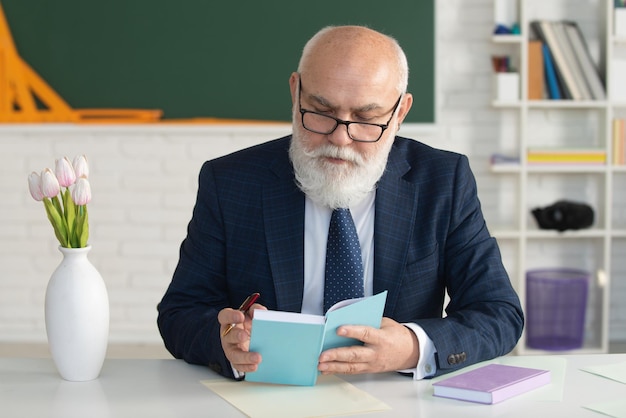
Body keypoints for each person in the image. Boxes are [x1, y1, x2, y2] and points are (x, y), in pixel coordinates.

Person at [157, 25, 523, 381]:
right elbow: (180, 313)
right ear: (295, 91)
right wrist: (225, 343)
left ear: (400, 113)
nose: (339, 138)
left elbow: (498, 313)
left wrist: (412, 346)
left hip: (396, 401)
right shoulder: (230, 181)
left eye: (366, 119)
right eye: (320, 111)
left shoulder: (444, 180)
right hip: (268, 394)